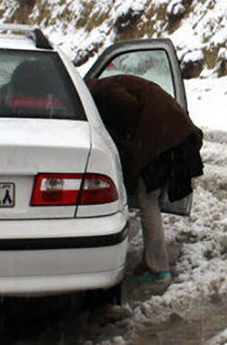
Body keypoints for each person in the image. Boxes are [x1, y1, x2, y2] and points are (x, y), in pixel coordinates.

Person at [86, 74, 203, 285]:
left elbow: (129, 109)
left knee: (147, 199)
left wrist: (128, 141)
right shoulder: (107, 85)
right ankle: (149, 262)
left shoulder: (102, 91)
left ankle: (158, 269)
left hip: (163, 140)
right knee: (150, 198)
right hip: (174, 136)